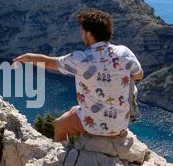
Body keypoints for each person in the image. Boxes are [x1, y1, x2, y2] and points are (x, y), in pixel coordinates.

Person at [13, 8, 143, 142]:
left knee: (59, 124)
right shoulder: (124, 52)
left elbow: (49, 62)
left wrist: (28, 57)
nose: (81, 35)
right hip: (121, 124)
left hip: (93, 126)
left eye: (82, 31)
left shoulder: (80, 59)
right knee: (74, 110)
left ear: (89, 34)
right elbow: (138, 75)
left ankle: (62, 156)